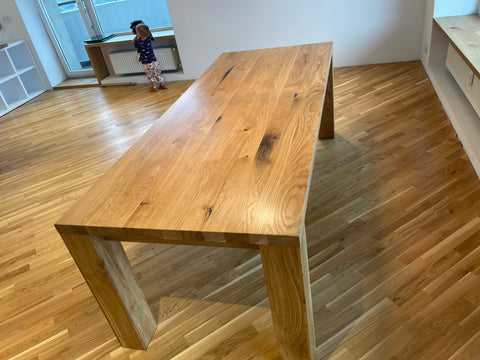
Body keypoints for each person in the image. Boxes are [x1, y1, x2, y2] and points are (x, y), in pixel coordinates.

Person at [133, 24, 166, 91]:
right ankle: (162, 84)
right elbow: (145, 34)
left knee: (150, 76)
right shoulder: (148, 38)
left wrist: (136, 36)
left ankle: (154, 87)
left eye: (137, 32)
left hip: (147, 63)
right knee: (157, 74)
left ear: (139, 34)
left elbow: (133, 42)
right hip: (154, 61)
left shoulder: (138, 41)